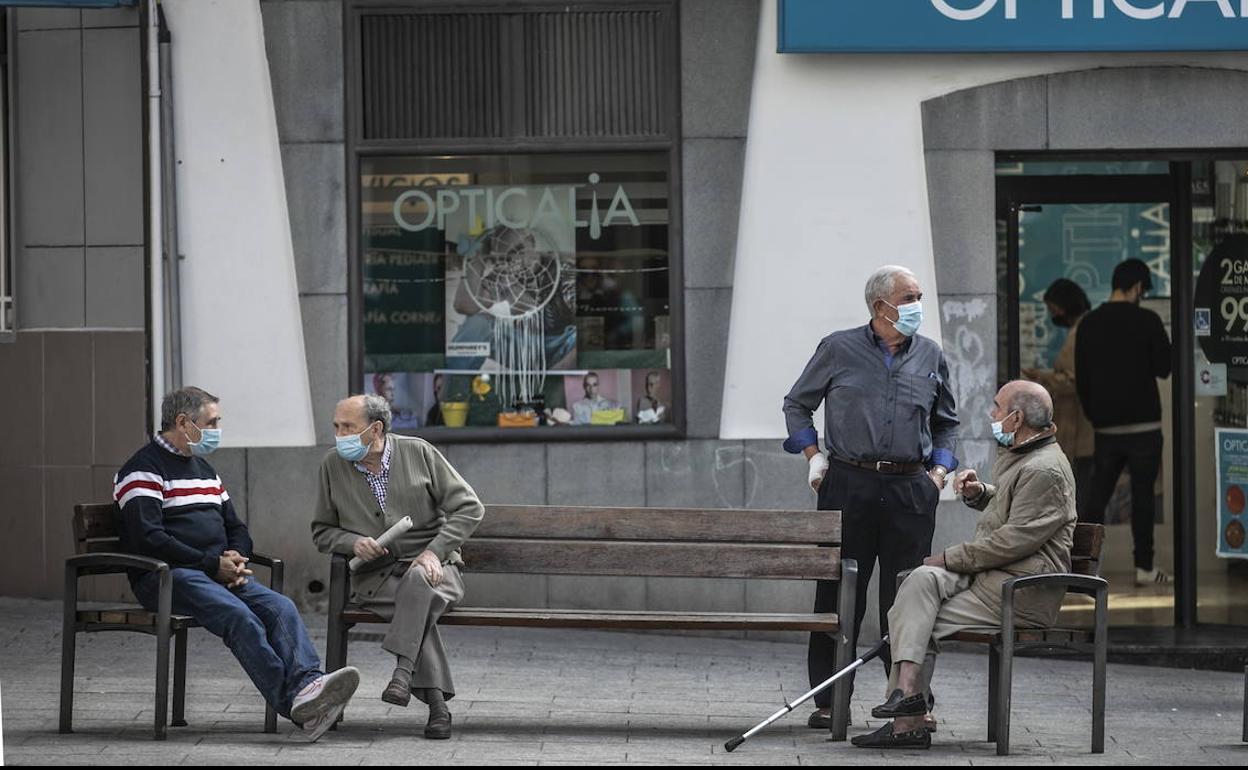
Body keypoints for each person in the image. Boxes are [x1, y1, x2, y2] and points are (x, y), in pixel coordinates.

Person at [114, 386, 359, 741]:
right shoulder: (142, 470)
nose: (217, 429)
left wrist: (234, 555)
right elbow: (149, 538)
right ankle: (294, 703)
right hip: (166, 576)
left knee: (281, 607)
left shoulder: (205, 470)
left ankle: (309, 687)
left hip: (214, 572)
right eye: (212, 422)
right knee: (239, 617)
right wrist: (211, 563)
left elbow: (236, 526)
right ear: (184, 422)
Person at [852, 380, 1076, 750]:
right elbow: (1015, 510)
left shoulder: (1045, 470)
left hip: (1021, 588)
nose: (991, 414)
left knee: (916, 617)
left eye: (997, 407)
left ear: (1016, 418)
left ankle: (907, 720)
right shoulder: (1026, 456)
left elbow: (1015, 540)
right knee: (920, 580)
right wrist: (982, 494)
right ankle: (908, 700)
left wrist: (952, 557)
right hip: (994, 578)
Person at [783, 265, 959, 729]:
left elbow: (947, 421)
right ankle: (827, 699)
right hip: (848, 483)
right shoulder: (838, 348)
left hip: (910, 487)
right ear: (881, 306)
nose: (918, 304)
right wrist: (812, 457)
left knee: (906, 596)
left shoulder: (931, 355)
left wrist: (938, 472)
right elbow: (797, 402)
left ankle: (906, 698)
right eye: (911, 296)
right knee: (839, 592)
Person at [312, 394, 485, 739]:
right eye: (336, 426)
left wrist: (435, 551)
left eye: (348, 427)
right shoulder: (332, 465)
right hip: (377, 580)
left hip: (438, 571)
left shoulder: (418, 452)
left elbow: (470, 507)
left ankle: (405, 674)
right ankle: (437, 707)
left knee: (419, 580)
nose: (339, 434)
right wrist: (351, 543)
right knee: (416, 602)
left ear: (375, 429)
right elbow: (321, 531)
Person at [1075, 258, 1173, 586]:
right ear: (1136, 287)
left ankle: (1085, 568)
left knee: (1096, 498)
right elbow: (1164, 367)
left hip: (1106, 428)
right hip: (1145, 425)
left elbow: (1082, 380)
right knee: (1143, 498)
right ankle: (1144, 568)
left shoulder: (1089, 323)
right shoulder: (1148, 320)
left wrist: (1096, 413)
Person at [1022, 278, 1095, 517]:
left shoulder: (1080, 332)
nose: (1053, 315)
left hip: (1079, 427)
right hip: (1079, 428)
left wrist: (1044, 380)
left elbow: (1072, 379)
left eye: (1054, 308)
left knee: (1079, 499)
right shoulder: (1083, 329)